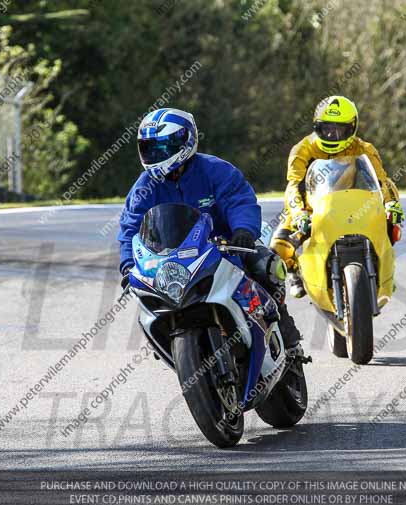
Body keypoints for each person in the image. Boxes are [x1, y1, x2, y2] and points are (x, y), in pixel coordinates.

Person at [118, 108, 306, 357]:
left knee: (266, 267)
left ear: (185, 141)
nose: (156, 155)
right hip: (172, 261)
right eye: (149, 148)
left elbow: (239, 199)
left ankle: (286, 333)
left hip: (226, 246)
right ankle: (169, 341)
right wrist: (128, 264)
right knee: (147, 296)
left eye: (163, 147)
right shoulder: (145, 186)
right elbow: (130, 226)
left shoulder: (215, 170)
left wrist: (243, 230)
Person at [269, 95, 404, 298]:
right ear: (317, 127)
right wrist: (298, 213)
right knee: (278, 247)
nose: (333, 135)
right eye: (327, 129)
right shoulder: (301, 150)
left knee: (391, 224)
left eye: (340, 129)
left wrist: (391, 204)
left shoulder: (365, 149)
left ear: (352, 128)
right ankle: (296, 272)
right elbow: (294, 185)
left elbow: (382, 181)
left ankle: (385, 271)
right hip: (312, 208)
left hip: (357, 203)